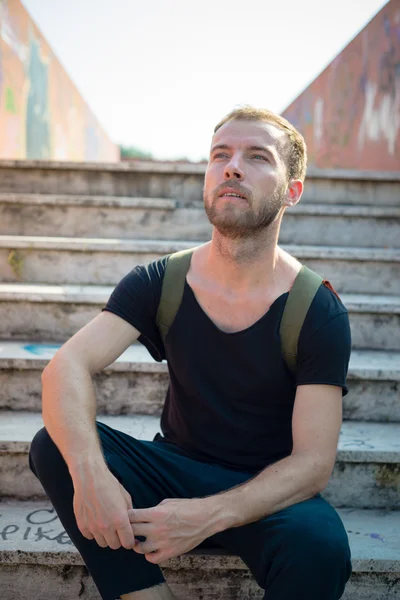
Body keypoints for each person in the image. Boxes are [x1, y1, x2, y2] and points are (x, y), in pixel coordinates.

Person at [29, 106, 352, 600]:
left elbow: (312, 464)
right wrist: (92, 477)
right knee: (56, 444)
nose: (232, 166)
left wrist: (205, 516)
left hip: (264, 492)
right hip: (173, 470)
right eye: (220, 154)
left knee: (322, 548)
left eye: (257, 157)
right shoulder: (161, 281)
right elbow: (66, 367)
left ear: (292, 190)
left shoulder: (317, 310)